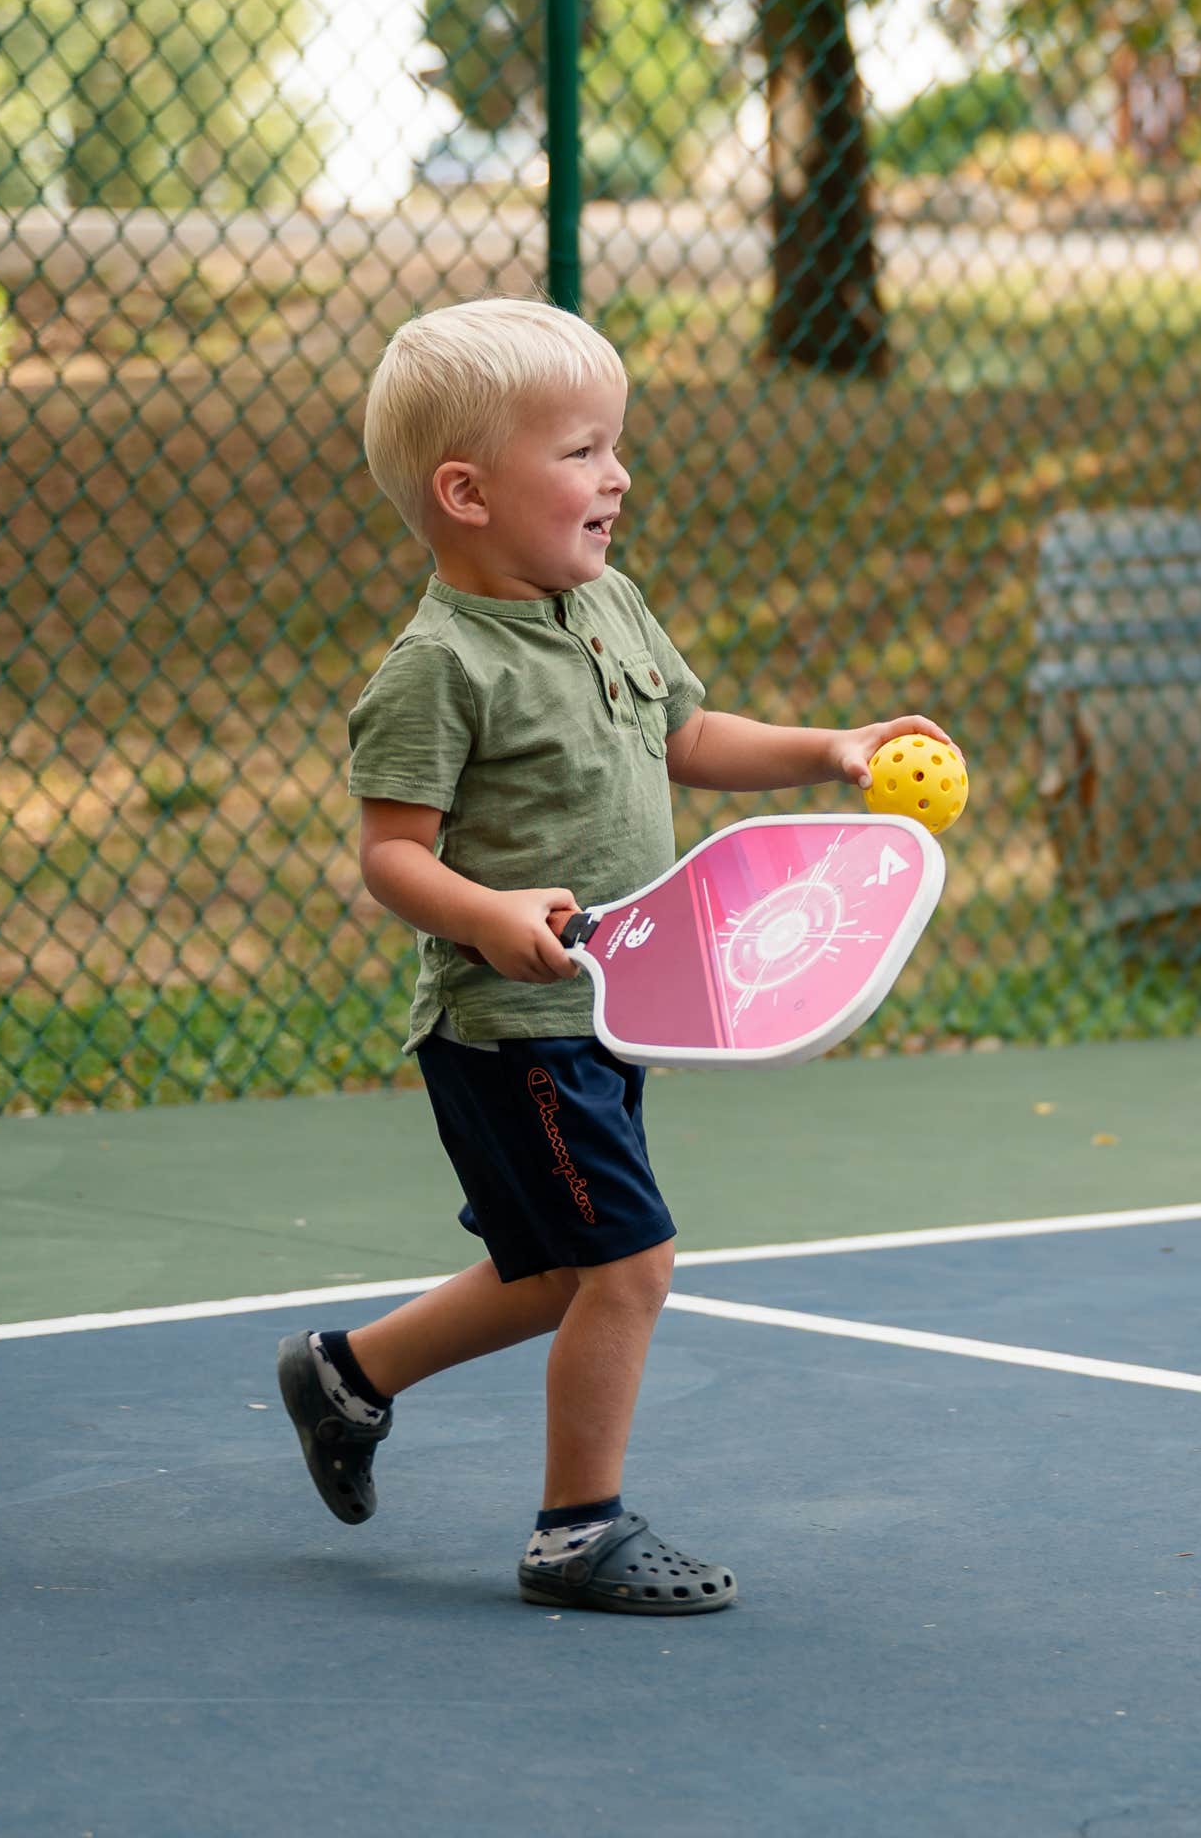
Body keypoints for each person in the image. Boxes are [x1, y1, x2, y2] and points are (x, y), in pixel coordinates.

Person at [276, 297, 948, 1614]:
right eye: (581, 451)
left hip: (615, 1010)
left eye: (615, 446)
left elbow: (686, 740)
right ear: (466, 492)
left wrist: (830, 751)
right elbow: (391, 856)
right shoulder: (437, 669)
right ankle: (576, 1530)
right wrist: (487, 913)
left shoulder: (607, 606)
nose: (618, 475)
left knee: (557, 1275)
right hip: (508, 1032)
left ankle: (345, 1375)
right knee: (629, 1267)